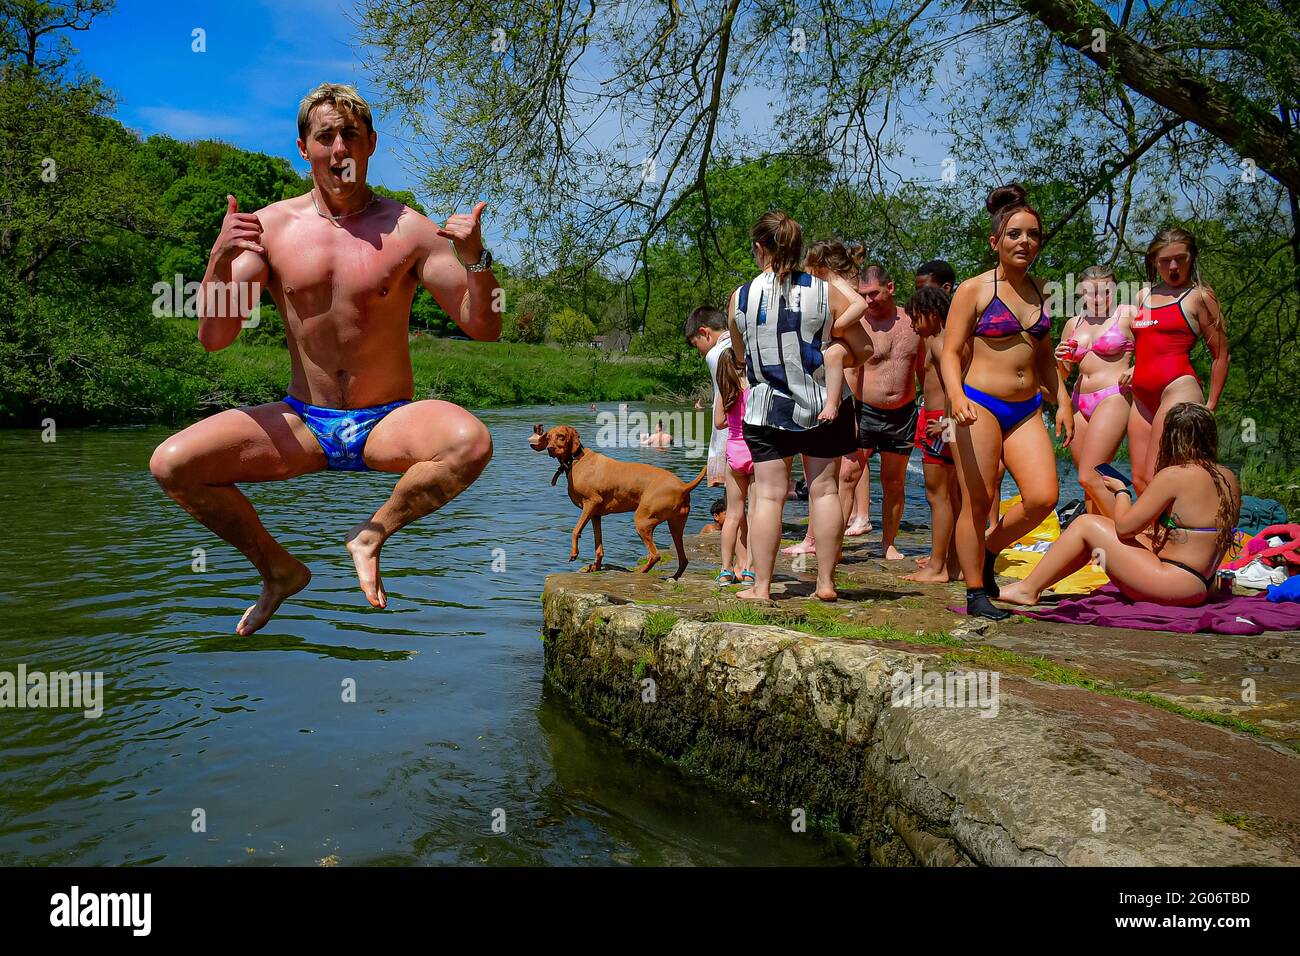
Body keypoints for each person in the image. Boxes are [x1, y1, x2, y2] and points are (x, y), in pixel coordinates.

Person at [149, 82, 498, 636]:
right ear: (304, 146)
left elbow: (485, 326)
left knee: (471, 441)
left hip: (388, 420)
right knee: (172, 464)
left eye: (350, 135)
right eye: (325, 135)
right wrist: (217, 262)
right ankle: (278, 570)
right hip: (303, 422)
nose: (339, 148)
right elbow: (215, 338)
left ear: (371, 144)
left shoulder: (409, 228)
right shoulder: (268, 229)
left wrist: (478, 260)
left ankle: (373, 533)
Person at [941, 183, 1073, 620]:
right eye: (1015, 234)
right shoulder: (974, 289)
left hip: (1026, 408)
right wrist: (956, 396)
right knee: (977, 501)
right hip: (978, 403)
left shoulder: (1043, 289)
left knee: (1042, 497)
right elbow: (949, 351)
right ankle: (977, 592)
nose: (1025, 242)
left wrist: (1066, 402)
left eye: (1033, 234)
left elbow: (1044, 356)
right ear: (995, 241)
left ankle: (986, 549)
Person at [726, 211, 868, 601]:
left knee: (769, 496)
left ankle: (762, 586)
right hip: (823, 405)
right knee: (824, 493)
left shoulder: (740, 297)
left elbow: (740, 357)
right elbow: (864, 348)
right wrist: (829, 346)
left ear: (759, 248)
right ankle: (824, 583)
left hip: (765, 408)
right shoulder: (826, 293)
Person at [999, 403, 1240, 607]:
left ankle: (1028, 589)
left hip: (1174, 584)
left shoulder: (1175, 475)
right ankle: (1038, 584)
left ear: (1171, 439)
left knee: (1086, 525)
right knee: (1115, 536)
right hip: (1205, 584)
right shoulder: (1228, 477)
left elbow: (1124, 528)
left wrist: (1122, 492)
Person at [782, 240, 877, 556]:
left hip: (832, 398)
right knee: (826, 482)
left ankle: (821, 544)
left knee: (829, 481)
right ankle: (821, 544)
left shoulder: (835, 294)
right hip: (827, 395)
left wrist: (836, 327)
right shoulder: (825, 299)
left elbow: (864, 346)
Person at [1127, 228, 1230, 492]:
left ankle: (1183, 531)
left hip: (1177, 389)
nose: (1173, 267)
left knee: (1156, 477)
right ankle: (1153, 534)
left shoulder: (1199, 297)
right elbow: (1145, 343)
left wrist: (1210, 405)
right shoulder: (1142, 295)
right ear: (1153, 262)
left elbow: (1220, 354)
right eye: (1165, 261)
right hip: (1141, 396)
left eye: (1180, 259)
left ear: (1191, 258)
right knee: (1139, 480)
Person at [840, 264, 923, 560]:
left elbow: (924, 368)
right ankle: (832, 544)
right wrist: (847, 415)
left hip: (903, 414)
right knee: (848, 474)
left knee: (893, 481)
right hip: (864, 411)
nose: (869, 300)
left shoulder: (913, 322)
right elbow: (849, 370)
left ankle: (888, 545)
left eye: (873, 293)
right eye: (863, 295)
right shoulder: (858, 323)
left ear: (891, 288)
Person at [1055, 264, 1135, 516]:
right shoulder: (1074, 322)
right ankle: (1097, 544)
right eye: (1090, 292)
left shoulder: (1128, 314)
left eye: (1105, 291)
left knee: (1089, 474)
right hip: (1079, 401)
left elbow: (1156, 350)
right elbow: (1064, 372)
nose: (1098, 298)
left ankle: (1128, 531)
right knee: (1089, 483)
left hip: (1113, 395)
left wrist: (1137, 368)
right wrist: (1059, 358)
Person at [903, 285, 961, 583]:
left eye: (916, 317)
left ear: (932, 315)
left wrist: (947, 424)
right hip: (941, 420)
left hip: (942, 423)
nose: (912, 324)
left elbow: (955, 385)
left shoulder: (939, 343)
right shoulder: (944, 341)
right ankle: (952, 563)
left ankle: (937, 566)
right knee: (951, 496)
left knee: (937, 496)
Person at [713, 349, 753, 585]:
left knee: (733, 516)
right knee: (756, 512)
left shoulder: (724, 392)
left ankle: (725, 569)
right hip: (754, 450)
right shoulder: (751, 388)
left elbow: (719, 423)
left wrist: (733, 419)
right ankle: (749, 570)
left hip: (733, 452)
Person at [685, 306, 733, 487]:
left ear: (705, 333)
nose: (700, 352)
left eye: (696, 345)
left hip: (732, 437)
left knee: (733, 500)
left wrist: (718, 455)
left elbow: (724, 398)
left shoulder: (716, 354)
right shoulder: (744, 342)